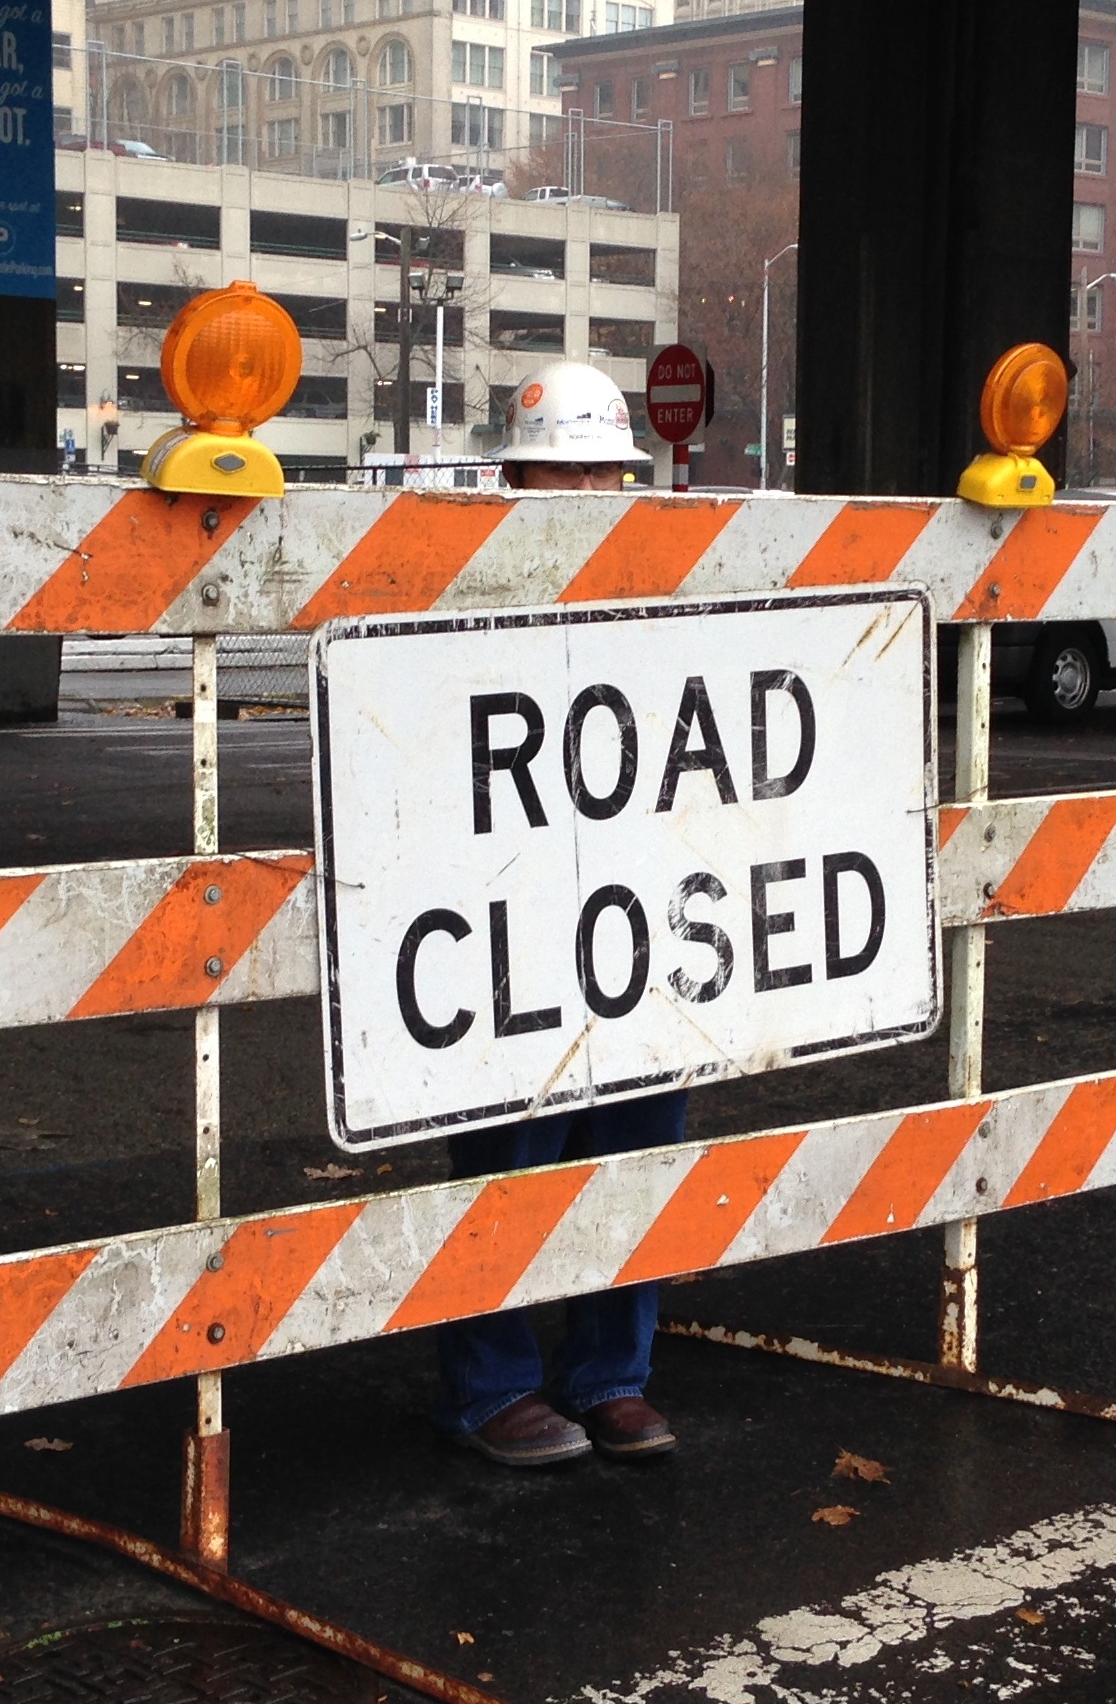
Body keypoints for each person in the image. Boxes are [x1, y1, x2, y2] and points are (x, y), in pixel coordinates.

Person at [437, 359, 681, 1468]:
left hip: (636, 905)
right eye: (562, 469)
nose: (584, 490)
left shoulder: (664, 575)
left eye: (603, 471)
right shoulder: (459, 578)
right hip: (509, 909)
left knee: (636, 1128)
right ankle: (492, 1384)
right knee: (511, 1141)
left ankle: (610, 1376)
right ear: (513, 472)